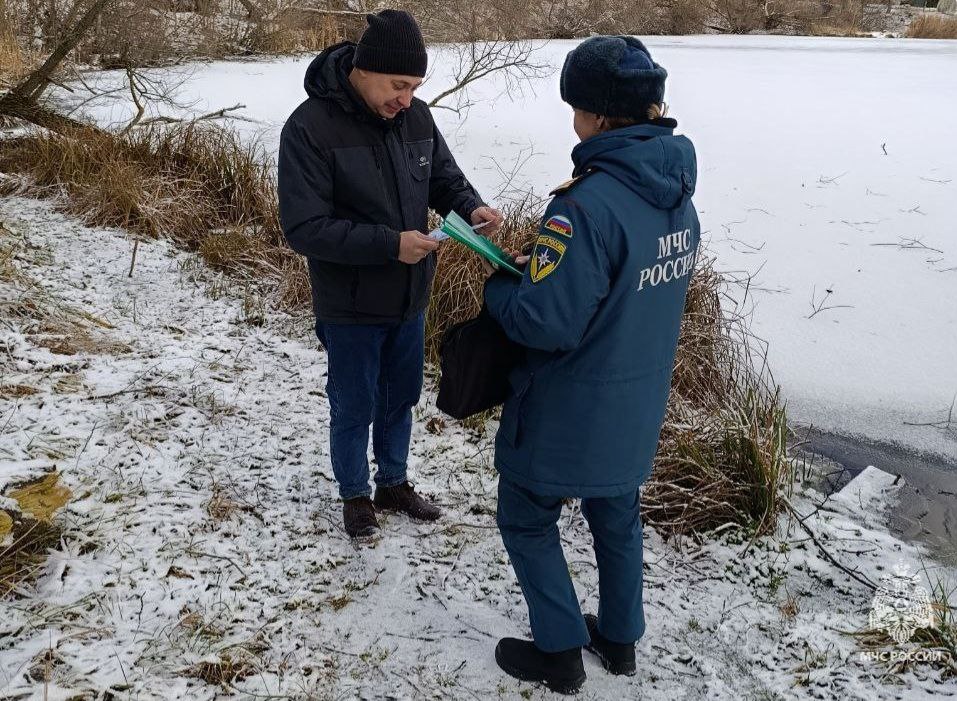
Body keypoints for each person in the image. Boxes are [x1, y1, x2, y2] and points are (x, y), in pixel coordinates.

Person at [482, 36, 700, 694]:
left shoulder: (582, 208)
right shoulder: (677, 199)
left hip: (566, 407)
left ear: (600, 118)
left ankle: (559, 651)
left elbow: (545, 323)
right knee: (616, 513)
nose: (571, 118)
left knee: (525, 514)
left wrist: (502, 285)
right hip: (635, 405)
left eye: (576, 106)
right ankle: (621, 637)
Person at [277, 10, 503, 539]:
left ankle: (394, 483)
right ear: (363, 68)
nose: (407, 98)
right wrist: (389, 245)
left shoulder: (417, 119)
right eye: (399, 85)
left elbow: (445, 181)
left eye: (416, 86)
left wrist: (471, 208)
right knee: (354, 404)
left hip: (410, 296)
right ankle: (355, 495)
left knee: (400, 397)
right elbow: (304, 227)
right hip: (350, 303)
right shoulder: (309, 128)